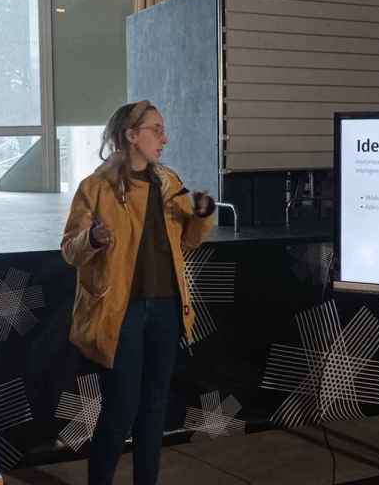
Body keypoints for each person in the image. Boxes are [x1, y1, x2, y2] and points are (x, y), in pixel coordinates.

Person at [62, 100, 216, 485]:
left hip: (166, 309)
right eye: (156, 130)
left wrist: (202, 212)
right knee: (121, 406)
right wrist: (93, 238)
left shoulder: (169, 184)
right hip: (121, 312)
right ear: (131, 136)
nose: (164, 138)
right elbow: (70, 250)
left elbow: (192, 241)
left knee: (154, 406)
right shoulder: (95, 188)